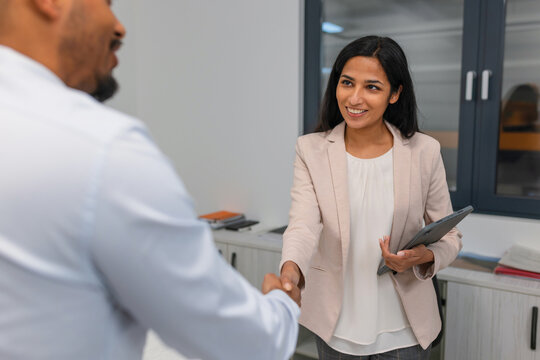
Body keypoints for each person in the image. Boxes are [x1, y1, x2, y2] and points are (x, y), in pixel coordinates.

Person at [0, 1, 300, 359]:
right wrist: (282, 304)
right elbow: (249, 345)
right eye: (107, 3)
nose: (120, 26)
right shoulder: (102, 150)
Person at [279, 35, 462, 359]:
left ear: (395, 93)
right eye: (347, 83)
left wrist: (423, 257)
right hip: (337, 325)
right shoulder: (311, 149)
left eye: (372, 87)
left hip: (405, 326)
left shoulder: (424, 151)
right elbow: (303, 225)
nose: (354, 98)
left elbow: (450, 236)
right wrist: (290, 272)